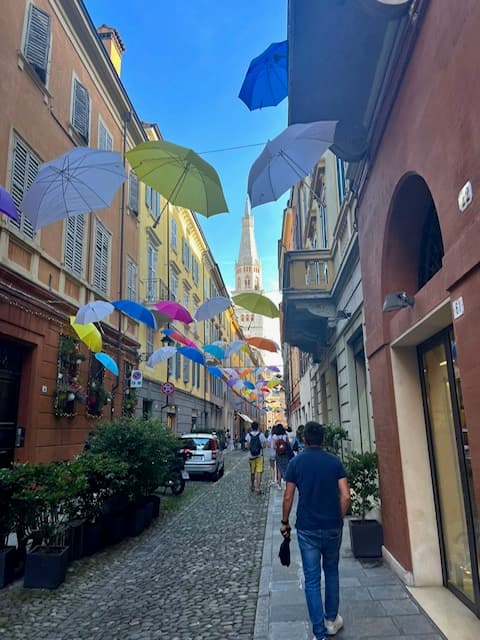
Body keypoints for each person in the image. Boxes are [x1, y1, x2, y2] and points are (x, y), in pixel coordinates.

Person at [280, 421, 350, 640]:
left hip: (307, 527)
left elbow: (289, 496)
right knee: (331, 571)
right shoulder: (334, 462)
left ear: (304, 440)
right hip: (332, 526)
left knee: (311, 579)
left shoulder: (296, 463)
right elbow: (346, 496)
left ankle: (318, 633)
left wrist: (284, 522)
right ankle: (331, 620)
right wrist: (337, 517)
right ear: (323, 439)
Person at [245, 422, 266, 494]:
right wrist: (259, 447)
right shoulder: (261, 435)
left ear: (251, 427)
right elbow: (264, 446)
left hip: (251, 456)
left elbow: (247, 446)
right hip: (259, 456)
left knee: (252, 472)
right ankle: (258, 488)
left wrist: (251, 447)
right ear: (257, 427)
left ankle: (252, 485)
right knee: (259, 472)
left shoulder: (248, 435)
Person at [271, 423, 290, 487]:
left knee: (279, 468)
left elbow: (274, 447)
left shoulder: (274, 436)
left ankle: (279, 484)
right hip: (285, 454)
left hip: (278, 454)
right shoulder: (285, 436)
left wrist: (278, 448)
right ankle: (287, 483)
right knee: (286, 468)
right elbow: (288, 445)